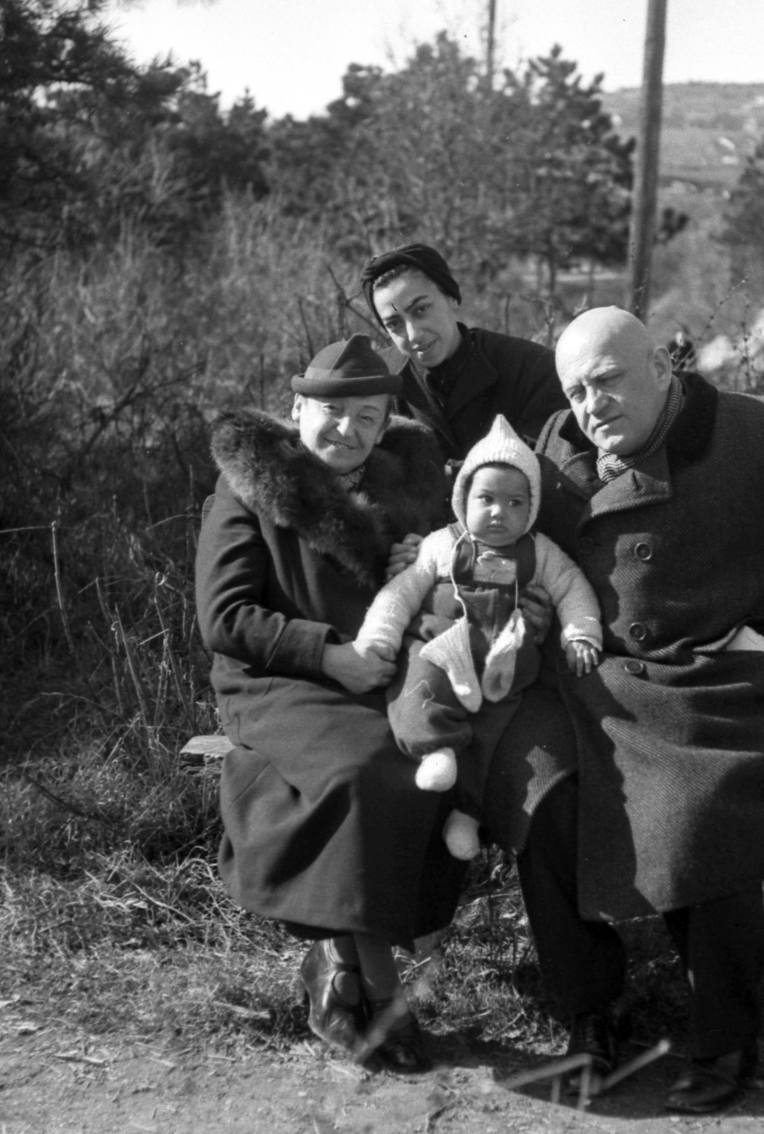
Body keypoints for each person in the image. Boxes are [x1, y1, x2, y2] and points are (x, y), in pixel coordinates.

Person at [491, 307, 764, 1113]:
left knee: (697, 810)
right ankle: (592, 1013)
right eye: (575, 389)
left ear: (663, 368)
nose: (591, 404)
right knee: (537, 790)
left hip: (716, 681)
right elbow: (517, 552)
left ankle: (724, 1034)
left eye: (607, 380)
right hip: (591, 682)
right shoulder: (555, 453)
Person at [195, 333, 463, 1072]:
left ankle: (334, 965)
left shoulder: (409, 485)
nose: (346, 431)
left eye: (366, 417)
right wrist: (325, 654)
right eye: (331, 412)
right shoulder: (248, 489)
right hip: (281, 678)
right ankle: (378, 992)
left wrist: (425, 565)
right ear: (297, 409)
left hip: (381, 669)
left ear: (384, 427)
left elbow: (453, 573)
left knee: (421, 763)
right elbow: (225, 619)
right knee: (359, 774)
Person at [351, 415, 602, 862]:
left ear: (532, 508)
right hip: (438, 650)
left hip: (500, 671)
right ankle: (433, 748)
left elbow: (573, 589)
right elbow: (402, 592)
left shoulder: (541, 552)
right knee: (417, 685)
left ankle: (467, 813)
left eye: (514, 503)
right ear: (462, 499)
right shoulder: (440, 545)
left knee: (492, 736)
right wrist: (379, 637)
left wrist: (579, 634)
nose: (498, 513)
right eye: (485, 498)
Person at [360, 242, 567, 460]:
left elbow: (545, 464)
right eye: (394, 324)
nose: (413, 334)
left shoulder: (530, 368)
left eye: (421, 310)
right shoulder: (376, 381)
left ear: (451, 297)